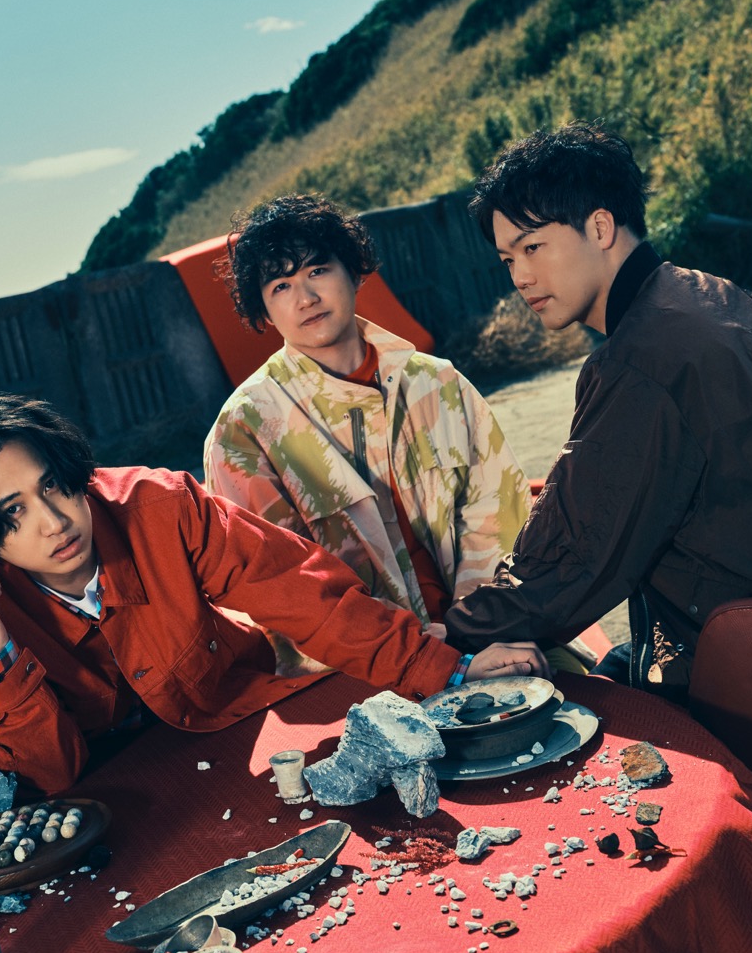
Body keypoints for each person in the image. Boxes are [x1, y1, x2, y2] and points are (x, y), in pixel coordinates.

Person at [445, 122, 752, 695]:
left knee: (534, 700)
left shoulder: (642, 361)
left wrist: (446, 638)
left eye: (532, 247)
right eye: (507, 259)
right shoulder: (729, 302)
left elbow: (572, 562)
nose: (521, 277)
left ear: (600, 227)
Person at [0, 392, 548, 795]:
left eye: (55, 486)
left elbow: (303, 592)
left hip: (233, 725)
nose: (54, 521)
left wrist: (447, 670)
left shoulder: (160, 507)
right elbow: (40, 782)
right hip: (109, 801)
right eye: (13, 512)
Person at [201, 194, 588, 675]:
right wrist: (431, 660)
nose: (306, 298)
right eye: (281, 285)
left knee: (594, 698)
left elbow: (498, 515)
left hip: (490, 632)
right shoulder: (244, 432)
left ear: (354, 272)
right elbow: (289, 594)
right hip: (353, 673)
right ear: (263, 309)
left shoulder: (436, 383)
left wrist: (471, 632)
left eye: (318, 270)